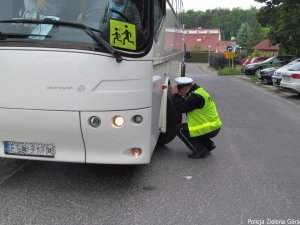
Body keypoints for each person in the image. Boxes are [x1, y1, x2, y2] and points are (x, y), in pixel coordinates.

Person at [172, 77, 222, 159]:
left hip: (209, 128)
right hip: (213, 126)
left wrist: (175, 95)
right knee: (193, 128)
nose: (181, 95)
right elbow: (187, 103)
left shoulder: (195, 96)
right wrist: (179, 96)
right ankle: (208, 145)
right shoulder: (198, 92)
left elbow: (182, 108)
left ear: (185, 89)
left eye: (181, 93)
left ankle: (199, 150)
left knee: (180, 129)